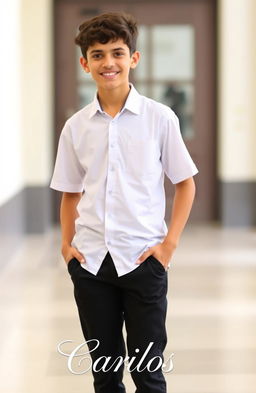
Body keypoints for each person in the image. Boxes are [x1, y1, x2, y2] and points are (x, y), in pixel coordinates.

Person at [50, 11, 198, 393]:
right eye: (97, 55)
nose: (108, 63)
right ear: (85, 63)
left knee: (148, 374)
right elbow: (70, 192)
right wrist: (67, 247)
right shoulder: (76, 127)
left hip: (143, 261)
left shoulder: (160, 118)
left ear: (134, 58)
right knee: (105, 375)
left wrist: (168, 247)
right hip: (91, 264)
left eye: (117, 52)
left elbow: (185, 184)